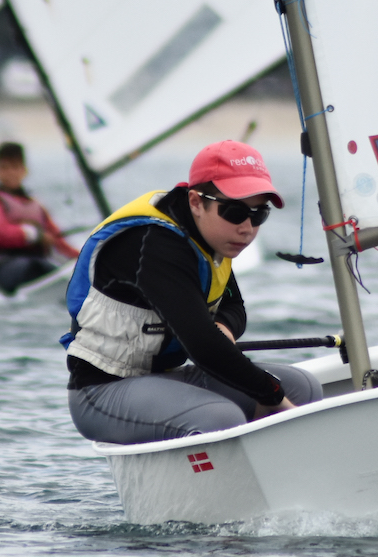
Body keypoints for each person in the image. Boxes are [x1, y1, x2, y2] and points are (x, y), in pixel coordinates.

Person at [63, 140, 322, 444]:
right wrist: (272, 396)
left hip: (166, 380)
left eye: (258, 214)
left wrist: (223, 327)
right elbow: (203, 346)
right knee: (221, 418)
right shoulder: (155, 246)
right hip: (100, 392)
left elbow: (234, 308)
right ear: (196, 202)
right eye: (235, 212)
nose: (247, 228)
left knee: (304, 387)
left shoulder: (215, 237)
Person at [0, 142, 81, 296]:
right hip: (4, 268)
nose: (10, 173)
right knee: (35, 266)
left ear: (24, 171)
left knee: (57, 267)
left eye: (15, 167)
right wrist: (35, 235)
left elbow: (58, 242)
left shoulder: (35, 204)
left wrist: (85, 259)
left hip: (36, 264)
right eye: (4, 168)